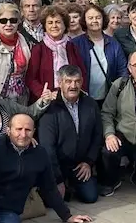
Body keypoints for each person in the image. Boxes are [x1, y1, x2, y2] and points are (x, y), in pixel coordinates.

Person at [38, 65, 104, 202]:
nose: (73, 86)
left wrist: (88, 162)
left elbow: (97, 135)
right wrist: (58, 180)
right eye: (68, 81)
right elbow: (47, 147)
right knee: (52, 201)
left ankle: (73, 186)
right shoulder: (50, 107)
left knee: (90, 197)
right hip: (57, 166)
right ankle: (64, 185)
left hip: (80, 164)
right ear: (60, 83)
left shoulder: (91, 104)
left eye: (77, 81)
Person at [101, 51, 136, 195]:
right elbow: (107, 112)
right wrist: (109, 134)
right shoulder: (119, 85)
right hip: (123, 136)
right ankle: (112, 180)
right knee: (108, 152)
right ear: (129, 67)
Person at [25, 6, 87, 101]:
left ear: (64, 25)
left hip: (70, 99)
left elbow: (82, 73)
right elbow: (30, 78)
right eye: (50, 23)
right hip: (46, 100)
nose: (54, 26)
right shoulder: (38, 49)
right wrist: (44, 93)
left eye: (58, 22)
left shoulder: (72, 47)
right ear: (45, 26)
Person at [0, 2, 33, 105]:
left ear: (18, 22)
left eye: (13, 20)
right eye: (3, 21)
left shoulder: (25, 43)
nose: (8, 24)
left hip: (21, 101)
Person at [73, 4, 127, 107]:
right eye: (90, 18)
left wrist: (118, 90)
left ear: (103, 19)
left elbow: (122, 70)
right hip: (82, 97)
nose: (94, 21)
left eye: (98, 17)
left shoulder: (113, 44)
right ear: (84, 21)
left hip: (108, 98)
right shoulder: (76, 44)